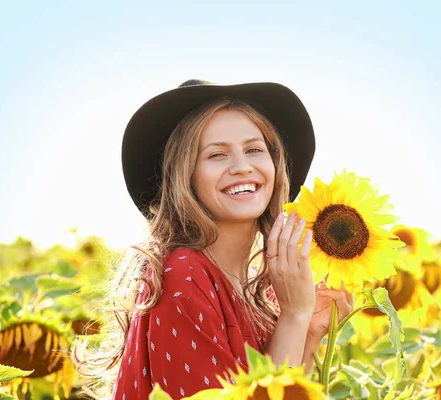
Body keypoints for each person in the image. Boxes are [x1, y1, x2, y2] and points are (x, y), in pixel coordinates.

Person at [72, 79, 354, 399]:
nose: (242, 166)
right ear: (185, 177)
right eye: (217, 155)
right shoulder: (184, 275)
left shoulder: (260, 291)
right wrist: (294, 316)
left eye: (254, 149)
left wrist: (308, 333)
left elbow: (284, 392)